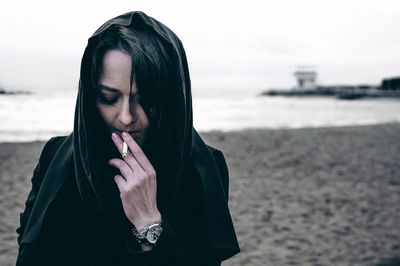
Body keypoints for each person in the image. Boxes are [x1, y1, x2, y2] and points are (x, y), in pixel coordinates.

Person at [16, 11, 240, 266]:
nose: (126, 117)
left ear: (169, 98)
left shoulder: (203, 169)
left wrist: (149, 223)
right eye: (109, 98)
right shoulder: (56, 158)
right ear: (90, 97)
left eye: (145, 99)